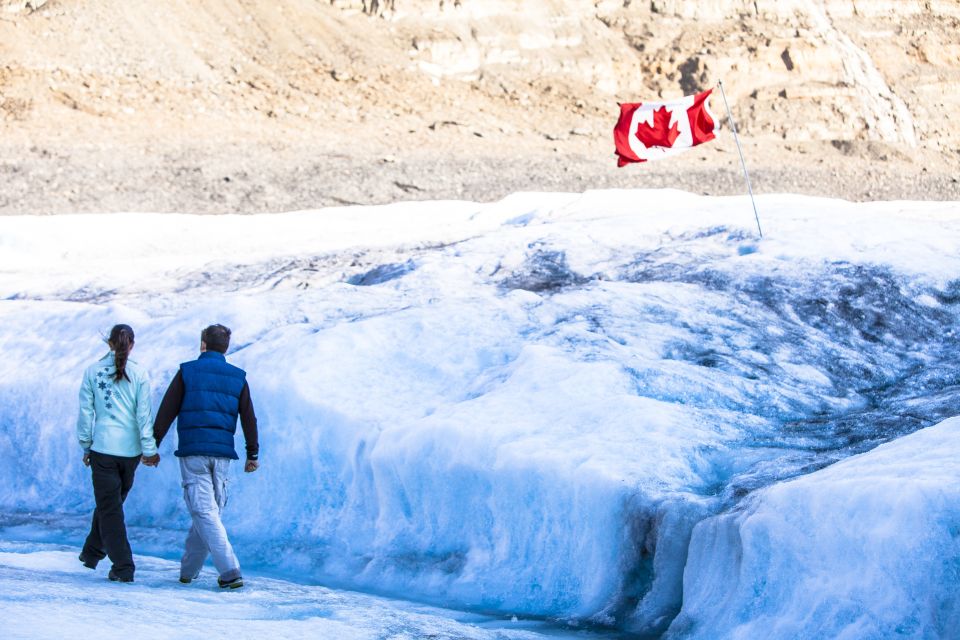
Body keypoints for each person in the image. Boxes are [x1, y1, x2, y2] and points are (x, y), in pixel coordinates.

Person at [153, 323, 259, 590]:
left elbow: (167, 410)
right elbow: (248, 416)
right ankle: (188, 571)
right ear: (226, 347)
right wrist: (252, 453)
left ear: (202, 343)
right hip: (222, 456)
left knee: (205, 512)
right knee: (207, 513)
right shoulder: (237, 377)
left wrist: (151, 445)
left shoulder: (188, 371)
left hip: (193, 453)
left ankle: (230, 571)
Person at [77, 323, 160, 583]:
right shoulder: (140, 374)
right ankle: (93, 553)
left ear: (109, 344)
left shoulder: (92, 371)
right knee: (110, 505)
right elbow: (143, 416)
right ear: (131, 345)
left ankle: (122, 567)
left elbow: (86, 413)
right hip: (131, 453)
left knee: (109, 507)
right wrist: (149, 450)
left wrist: (86, 445)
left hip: (103, 449)